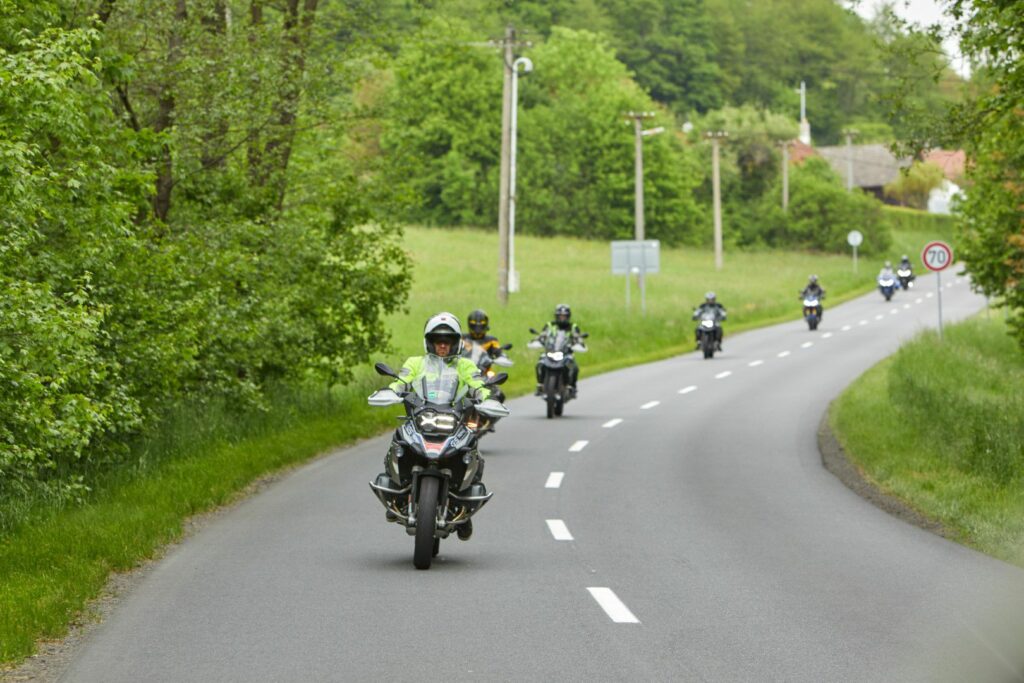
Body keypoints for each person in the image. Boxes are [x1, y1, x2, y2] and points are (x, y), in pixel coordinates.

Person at [378, 312, 492, 540]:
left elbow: (478, 383)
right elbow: (402, 380)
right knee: (399, 439)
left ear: (456, 343)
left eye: (447, 341)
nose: (442, 346)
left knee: (472, 450)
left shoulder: (465, 365)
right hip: (421, 416)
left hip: (453, 419)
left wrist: (484, 396)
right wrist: (393, 391)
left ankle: (464, 511)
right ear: (429, 341)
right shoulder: (415, 362)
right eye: (438, 341)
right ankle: (396, 492)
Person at [532, 303, 587, 397]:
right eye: (560, 316)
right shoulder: (550, 325)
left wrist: (579, 341)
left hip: (566, 352)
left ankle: (571, 387)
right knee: (539, 364)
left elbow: (578, 336)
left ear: (568, 316)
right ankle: (540, 385)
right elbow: (543, 334)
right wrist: (538, 338)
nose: (562, 318)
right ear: (556, 316)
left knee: (574, 367)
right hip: (551, 350)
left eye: (564, 316)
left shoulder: (573, 326)